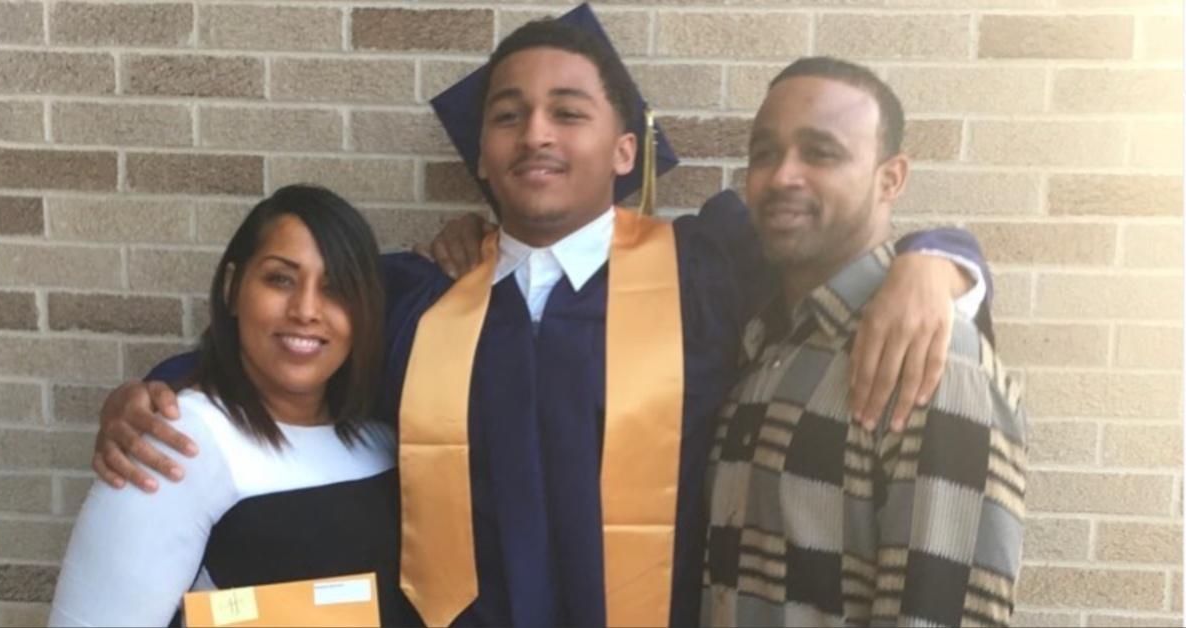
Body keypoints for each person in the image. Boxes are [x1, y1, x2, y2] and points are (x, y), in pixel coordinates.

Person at [87, 12, 992, 628]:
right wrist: (155, 396)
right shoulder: (417, 297)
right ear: (482, 157)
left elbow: (827, 239)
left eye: (569, 112)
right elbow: (285, 349)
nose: (537, 135)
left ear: (625, 149)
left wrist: (941, 260)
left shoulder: (707, 267)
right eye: (509, 116)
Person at [700, 57, 1026, 627]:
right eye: (765, 153)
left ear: (890, 179)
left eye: (820, 153)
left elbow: (940, 612)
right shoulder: (764, 342)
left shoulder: (934, 359)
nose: (782, 176)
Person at [49, 186, 417, 627]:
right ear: (232, 288)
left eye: (336, 288)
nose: (306, 310)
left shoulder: (381, 438)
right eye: (281, 279)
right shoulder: (177, 444)